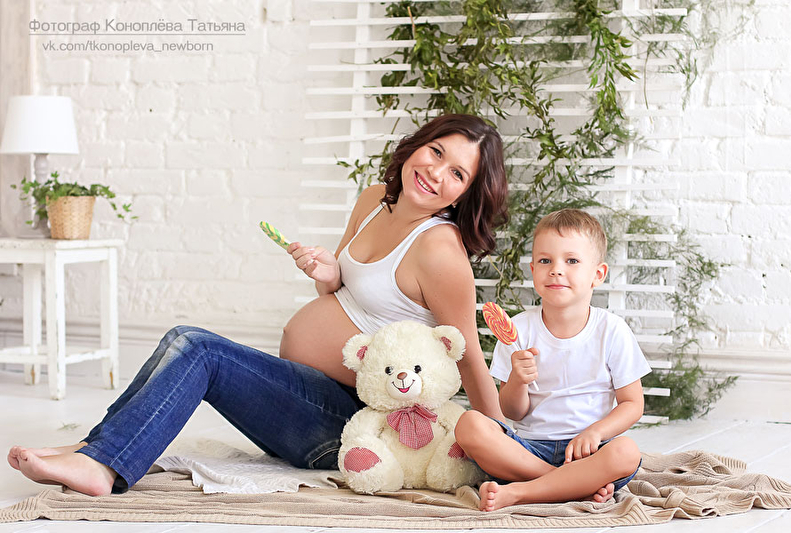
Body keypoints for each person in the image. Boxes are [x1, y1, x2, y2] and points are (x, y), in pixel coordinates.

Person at [7, 114, 508, 496]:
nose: (435, 172)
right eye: (436, 151)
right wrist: (328, 273)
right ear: (417, 145)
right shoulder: (376, 199)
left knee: (199, 350)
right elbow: (339, 295)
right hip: (310, 395)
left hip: (356, 426)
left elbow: (467, 356)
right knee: (181, 338)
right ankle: (96, 447)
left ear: (464, 195)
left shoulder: (440, 250)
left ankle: (104, 467)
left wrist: (503, 447)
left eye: (456, 173)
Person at [454, 208, 651, 511]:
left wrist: (595, 433)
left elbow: (633, 404)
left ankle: (522, 492)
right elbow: (512, 412)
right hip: (529, 451)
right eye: (546, 261)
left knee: (626, 452)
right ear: (533, 269)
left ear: (598, 274)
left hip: (590, 453)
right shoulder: (518, 330)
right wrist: (518, 381)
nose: (556, 270)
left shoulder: (612, 330)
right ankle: (568, 485)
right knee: (469, 425)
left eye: (571, 261)